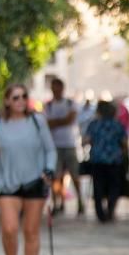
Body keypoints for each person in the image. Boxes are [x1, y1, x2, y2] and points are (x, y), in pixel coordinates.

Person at [0, 83, 56, 255]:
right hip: (7, 183)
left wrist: (49, 170)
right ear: (7, 101)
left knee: (31, 231)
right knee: (9, 228)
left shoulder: (37, 122)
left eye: (24, 96)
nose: (21, 101)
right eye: (15, 97)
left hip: (34, 182)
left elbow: (50, 150)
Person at [84, 100, 128, 222]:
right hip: (114, 160)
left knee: (98, 187)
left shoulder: (94, 124)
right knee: (114, 186)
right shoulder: (117, 124)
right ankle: (110, 209)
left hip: (97, 160)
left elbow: (86, 140)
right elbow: (124, 142)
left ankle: (100, 214)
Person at [45, 78, 83, 216]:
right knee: (56, 176)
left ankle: (80, 201)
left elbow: (70, 119)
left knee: (74, 175)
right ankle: (57, 202)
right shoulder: (48, 106)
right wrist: (62, 121)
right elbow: (48, 124)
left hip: (70, 144)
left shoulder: (70, 103)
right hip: (55, 145)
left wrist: (57, 122)